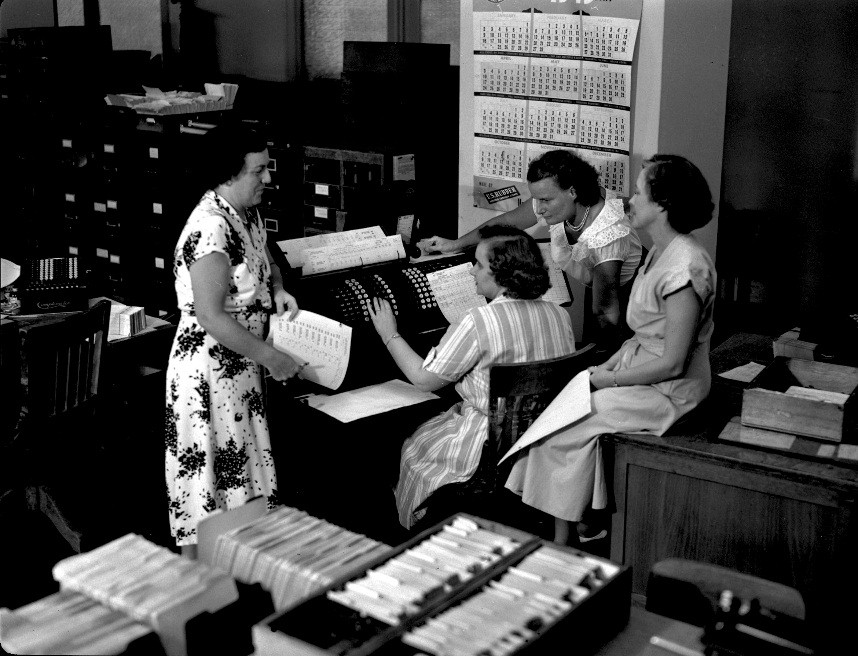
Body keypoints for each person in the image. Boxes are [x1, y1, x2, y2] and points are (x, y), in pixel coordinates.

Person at [504, 154, 716, 545]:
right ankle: (579, 524)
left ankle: (568, 535)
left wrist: (609, 377)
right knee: (560, 413)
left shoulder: (685, 267)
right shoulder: (662, 251)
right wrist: (611, 366)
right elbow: (646, 334)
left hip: (670, 392)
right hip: (642, 374)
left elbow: (672, 363)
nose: (629, 201)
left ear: (663, 205)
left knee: (560, 430)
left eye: (638, 193)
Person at [367, 225, 576, 530]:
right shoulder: (559, 314)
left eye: (477, 265)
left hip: (487, 449)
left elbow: (423, 380)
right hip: (542, 442)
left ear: (500, 273)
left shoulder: (480, 320)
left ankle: (405, 531)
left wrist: (389, 333)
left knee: (410, 445)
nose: (471, 272)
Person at [165, 123, 302, 558]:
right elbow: (210, 315)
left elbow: (266, 259)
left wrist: (277, 289)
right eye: (258, 171)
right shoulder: (210, 228)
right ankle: (198, 590)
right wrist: (273, 359)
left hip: (239, 367)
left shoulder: (246, 213)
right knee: (207, 483)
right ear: (228, 174)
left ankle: (234, 580)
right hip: (209, 371)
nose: (267, 179)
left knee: (240, 475)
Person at [419, 150, 642, 353]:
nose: (539, 208)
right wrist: (455, 244)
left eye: (545, 200)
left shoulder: (607, 232)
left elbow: (606, 310)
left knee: (612, 354)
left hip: (631, 293)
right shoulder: (556, 203)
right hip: (598, 287)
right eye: (536, 198)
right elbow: (507, 222)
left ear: (573, 191)